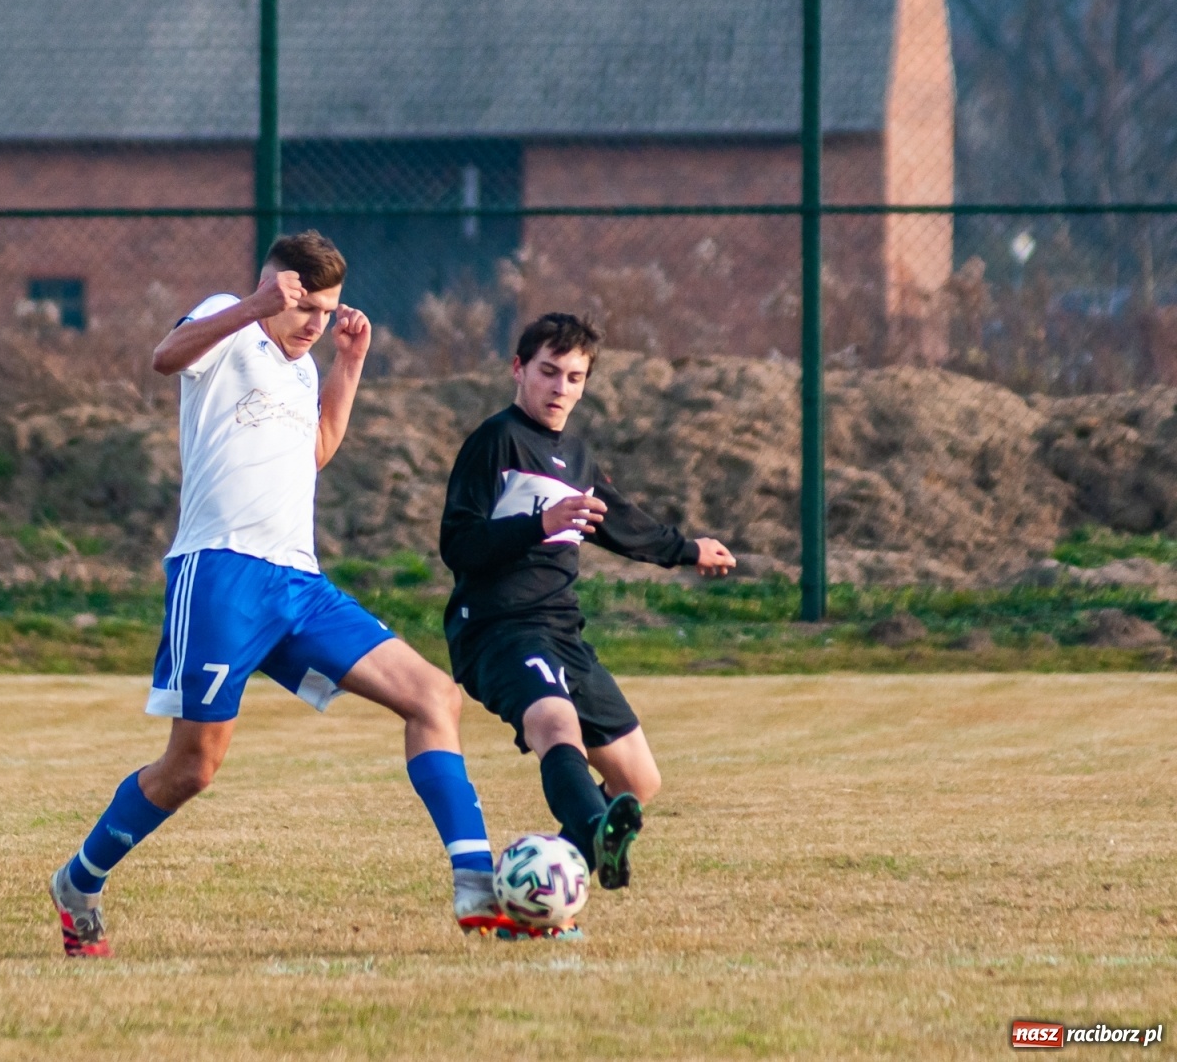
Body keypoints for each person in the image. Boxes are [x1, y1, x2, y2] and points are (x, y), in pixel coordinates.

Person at [50, 231, 518, 957]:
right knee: (192, 769)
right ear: (274, 288)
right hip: (220, 576)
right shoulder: (227, 322)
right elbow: (164, 357)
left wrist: (348, 365)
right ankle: (79, 882)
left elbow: (317, 449)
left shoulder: (304, 369)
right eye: (304, 307)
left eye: (327, 312)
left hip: (299, 582)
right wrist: (252, 307)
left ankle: (476, 884)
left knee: (434, 697)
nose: (314, 324)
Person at [439, 313, 736, 930]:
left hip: (562, 631)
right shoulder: (495, 442)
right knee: (556, 723)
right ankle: (590, 836)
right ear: (519, 369)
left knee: (638, 781)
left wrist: (688, 550)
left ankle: (535, 899)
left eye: (574, 377)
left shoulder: (575, 454)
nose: (560, 387)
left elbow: (617, 519)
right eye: (548, 372)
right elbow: (458, 545)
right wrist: (538, 524)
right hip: (497, 627)